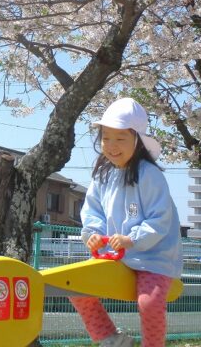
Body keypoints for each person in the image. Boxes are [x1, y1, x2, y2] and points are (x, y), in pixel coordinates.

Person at [70, 97, 183, 347]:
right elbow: (93, 210)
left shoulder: (149, 174)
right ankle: (110, 339)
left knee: (149, 302)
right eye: (106, 138)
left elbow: (159, 218)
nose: (111, 145)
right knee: (76, 286)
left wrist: (132, 238)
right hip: (114, 254)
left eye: (120, 138)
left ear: (138, 141)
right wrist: (93, 234)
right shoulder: (103, 174)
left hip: (153, 258)